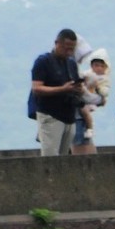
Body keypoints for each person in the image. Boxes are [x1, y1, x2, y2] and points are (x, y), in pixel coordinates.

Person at [31, 29, 85, 157]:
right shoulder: (43, 61)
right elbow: (37, 88)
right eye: (66, 48)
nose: (69, 52)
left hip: (69, 116)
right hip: (50, 114)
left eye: (72, 49)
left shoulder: (71, 63)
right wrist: (62, 89)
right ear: (57, 43)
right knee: (50, 157)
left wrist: (78, 89)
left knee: (64, 158)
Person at [79, 49, 110, 142]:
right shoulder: (88, 74)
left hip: (92, 100)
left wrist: (97, 87)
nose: (99, 68)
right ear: (92, 66)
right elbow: (80, 76)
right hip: (84, 97)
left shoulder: (104, 79)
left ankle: (90, 129)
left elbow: (105, 92)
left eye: (102, 66)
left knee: (85, 111)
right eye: (96, 65)